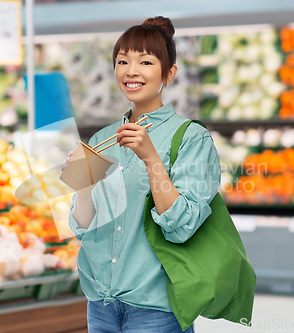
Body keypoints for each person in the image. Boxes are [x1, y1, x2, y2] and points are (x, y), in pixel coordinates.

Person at [63, 16, 221, 333]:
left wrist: (151, 159)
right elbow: (84, 230)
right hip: (101, 308)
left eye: (145, 61)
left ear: (169, 72)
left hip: (157, 312)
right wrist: (81, 187)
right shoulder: (101, 140)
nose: (131, 71)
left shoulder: (191, 138)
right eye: (123, 61)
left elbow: (181, 226)